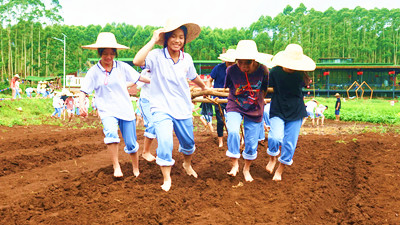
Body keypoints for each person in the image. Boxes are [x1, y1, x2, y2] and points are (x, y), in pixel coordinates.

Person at [133, 17, 207, 191]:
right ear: (166, 38)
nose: (177, 40)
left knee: (188, 144)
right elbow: (137, 61)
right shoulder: (156, 56)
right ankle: (167, 178)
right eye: (173, 36)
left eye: (181, 37)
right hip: (160, 108)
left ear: (184, 40)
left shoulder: (186, 58)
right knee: (165, 142)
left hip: (182, 108)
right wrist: (153, 39)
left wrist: (205, 88)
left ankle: (187, 164)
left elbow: (193, 76)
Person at [79, 32, 150, 178]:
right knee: (111, 133)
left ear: (115, 54)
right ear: (100, 53)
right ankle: (116, 167)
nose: (108, 57)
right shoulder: (93, 72)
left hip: (125, 109)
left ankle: (135, 168)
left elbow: (139, 78)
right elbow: (84, 90)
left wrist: (159, 80)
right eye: (105, 53)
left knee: (131, 143)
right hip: (107, 110)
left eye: (112, 53)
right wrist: (81, 105)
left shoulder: (122, 67)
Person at [266, 43, 316, 181]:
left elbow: (304, 85)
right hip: (278, 108)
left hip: (296, 111)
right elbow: (267, 89)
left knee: (289, 144)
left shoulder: (301, 74)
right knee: (274, 137)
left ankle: (280, 170)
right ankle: (272, 158)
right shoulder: (275, 72)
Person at [224, 40, 270, 182]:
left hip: (255, 107)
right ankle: (235, 164)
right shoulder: (231, 70)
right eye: (240, 62)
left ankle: (246, 169)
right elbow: (228, 87)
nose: (243, 66)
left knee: (251, 143)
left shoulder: (263, 70)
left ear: (254, 60)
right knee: (232, 131)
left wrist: (257, 101)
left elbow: (264, 89)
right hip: (235, 104)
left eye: (247, 63)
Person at [208, 49, 236, 147]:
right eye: (229, 61)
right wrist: (208, 90)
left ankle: (234, 138)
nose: (231, 63)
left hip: (232, 98)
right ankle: (220, 141)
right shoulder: (218, 68)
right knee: (220, 120)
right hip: (218, 98)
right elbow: (210, 80)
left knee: (233, 120)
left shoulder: (237, 69)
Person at [136, 69, 157, 162]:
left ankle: (161, 152)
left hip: (159, 102)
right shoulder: (146, 71)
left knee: (162, 125)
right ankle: (145, 152)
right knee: (152, 124)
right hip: (146, 101)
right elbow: (138, 84)